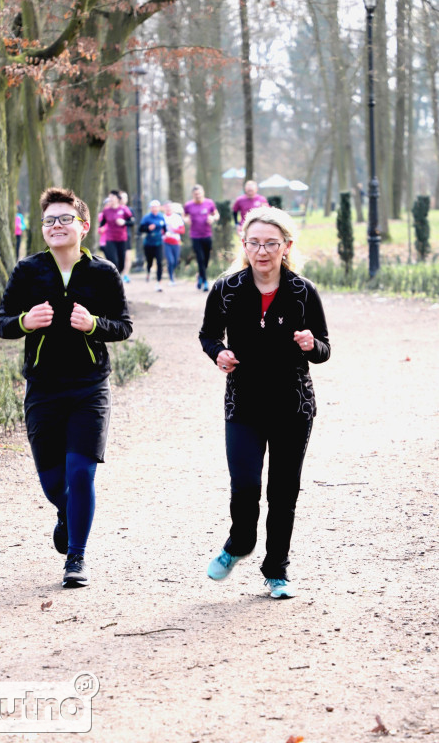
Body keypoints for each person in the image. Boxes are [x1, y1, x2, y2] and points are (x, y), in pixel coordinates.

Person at [0, 186, 133, 588]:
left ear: (84, 226)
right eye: (49, 220)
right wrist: (23, 322)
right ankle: (65, 514)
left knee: (80, 472)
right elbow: (0, 321)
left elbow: (123, 326)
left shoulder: (104, 273)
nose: (56, 225)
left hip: (90, 388)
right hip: (43, 389)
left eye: (65, 219)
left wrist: (95, 325)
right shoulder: (28, 270)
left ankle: (77, 558)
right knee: (54, 483)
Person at [199, 206, 330, 599]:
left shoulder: (302, 291)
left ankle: (276, 571)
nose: (262, 251)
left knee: (283, 491)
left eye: (271, 243)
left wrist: (312, 345)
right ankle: (239, 542)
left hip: (293, 405)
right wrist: (218, 354)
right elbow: (207, 335)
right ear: (244, 245)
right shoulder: (226, 289)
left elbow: (324, 348)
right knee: (244, 485)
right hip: (244, 404)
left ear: (286, 246)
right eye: (254, 243)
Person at [184, 184, 219, 292]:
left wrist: (213, 218)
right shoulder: (188, 205)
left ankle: (200, 276)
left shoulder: (209, 203)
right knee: (200, 258)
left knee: (206, 258)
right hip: (195, 236)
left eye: (199, 193)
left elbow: (216, 214)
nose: (198, 196)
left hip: (207, 235)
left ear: (203, 193)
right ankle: (205, 281)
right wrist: (186, 220)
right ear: (192, 195)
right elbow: (184, 215)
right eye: (195, 194)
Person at [99, 190, 133, 275]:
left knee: (121, 261)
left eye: (112, 197)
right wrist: (101, 227)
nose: (110, 199)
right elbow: (102, 223)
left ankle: (118, 275)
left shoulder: (124, 209)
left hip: (122, 238)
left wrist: (124, 222)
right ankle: (115, 280)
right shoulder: (106, 211)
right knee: (113, 260)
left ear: (118, 199)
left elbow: (132, 221)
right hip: (110, 238)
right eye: (109, 197)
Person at [139, 200, 166, 291]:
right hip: (148, 243)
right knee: (149, 261)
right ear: (150, 208)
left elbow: (164, 228)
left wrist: (165, 234)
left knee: (159, 262)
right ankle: (148, 271)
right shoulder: (146, 218)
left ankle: (159, 282)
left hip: (159, 243)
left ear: (159, 208)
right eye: (153, 207)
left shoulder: (161, 217)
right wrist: (148, 228)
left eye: (156, 207)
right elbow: (141, 229)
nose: (155, 209)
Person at [162, 200, 185, 285]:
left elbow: (182, 230)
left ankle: (173, 273)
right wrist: (165, 233)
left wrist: (174, 230)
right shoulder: (162, 217)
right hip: (166, 241)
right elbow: (160, 229)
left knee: (175, 261)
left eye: (170, 207)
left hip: (176, 242)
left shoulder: (177, 217)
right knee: (170, 261)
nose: (168, 208)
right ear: (164, 208)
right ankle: (171, 278)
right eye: (166, 207)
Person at [119, 191, 135, 283]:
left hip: (126, 235)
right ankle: (118, 274)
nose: (124, 199)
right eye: (121, 197)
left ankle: (125, 275)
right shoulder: (112, 209)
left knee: (127, 256)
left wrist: (124, 222)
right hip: (114, 237)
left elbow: (132, 222)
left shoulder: (129, 210)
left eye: (126, 197)